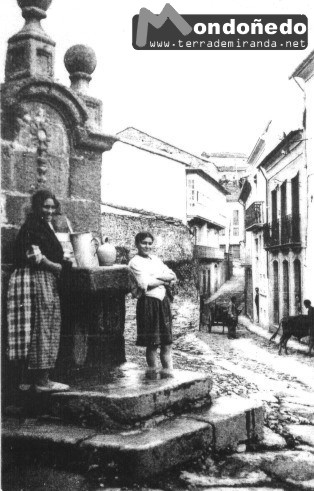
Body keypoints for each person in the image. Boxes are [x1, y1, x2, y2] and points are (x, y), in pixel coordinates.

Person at [6, 189, 70, 392]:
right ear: (37, 207)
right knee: (42, 326)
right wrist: (57, 266)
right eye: (45, 206)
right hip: (35, 279)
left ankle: (29, 381)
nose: (50, 210)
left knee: (34, 328)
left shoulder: (43, 225)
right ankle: (41, 381)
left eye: (52, 207)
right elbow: (35, 256)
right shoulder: (33, 226)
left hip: (36, 279)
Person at [128, 232, 177, 377]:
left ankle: (169, 376)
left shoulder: (155, 259)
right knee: (153, 343)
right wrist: (163, 280)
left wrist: (156, 278)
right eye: (144, 243)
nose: (147, 246)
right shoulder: (134, 262)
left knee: (167, 343)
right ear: (137, 244)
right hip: (148, 303)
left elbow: (172, 275)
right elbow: (144, 284)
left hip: (163, 302)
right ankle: (153, 377)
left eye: (150, 243)